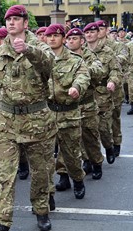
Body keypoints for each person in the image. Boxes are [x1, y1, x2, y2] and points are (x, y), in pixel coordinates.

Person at [0, 5, 57, 231]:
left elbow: (49, 64)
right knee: (4, 172)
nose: (11, 22)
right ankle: (1, 220)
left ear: (26, 23)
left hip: (36, 119)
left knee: (40, 171)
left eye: (16, 19)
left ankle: (41, 210)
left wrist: (28, 50)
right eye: (8, 19)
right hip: (6, 120)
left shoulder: (40, 47)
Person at [45, 24, 90, 201]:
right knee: (45, 157)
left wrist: (77, 87)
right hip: (47, 114)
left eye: (56, 36)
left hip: (69, 114)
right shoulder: (42, 59)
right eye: (49, 36)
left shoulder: (75, 59)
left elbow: (83, 76)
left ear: (63, 39)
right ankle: (48, 194)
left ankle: (78, 179)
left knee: (71, 155)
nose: (52, 39)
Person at [58, 27, 104, 182]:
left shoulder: (90, 56)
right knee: (66, 142)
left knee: (90, 138)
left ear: (82, 41)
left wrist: (81, 71)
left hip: (87, 105)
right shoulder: (61, 57)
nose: (71, 41)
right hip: (68, 108)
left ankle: (96, 162)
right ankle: (64, 174)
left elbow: (99, 71)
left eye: (75, 39)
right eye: (69, 39)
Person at [95, 20, 123, 161]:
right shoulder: (88, 47)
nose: (98, 31)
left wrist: (113, 61)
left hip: (114, 89)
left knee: (114, 118)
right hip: (98, 93)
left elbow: (122, 59)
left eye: (101, 28)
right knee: (99, 122)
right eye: (96, 29)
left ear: (106, 30)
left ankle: (116, 142)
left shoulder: (115, 46)